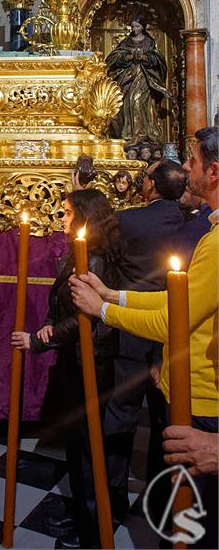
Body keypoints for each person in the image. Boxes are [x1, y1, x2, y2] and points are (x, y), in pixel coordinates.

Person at [70, 126, 218, 549]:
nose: (186, 167)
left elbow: (175, 318)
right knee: (183, 520)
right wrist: (112, 295)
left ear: (213, 171)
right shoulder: (208, 230)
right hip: (187, 390)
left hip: (204, 401)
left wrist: (101, 310)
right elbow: (175, 302)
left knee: (196, 530)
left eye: (191, 160)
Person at [12, 189, 120, 548]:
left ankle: (91, 527)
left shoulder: (97, 260)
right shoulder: (77, 254)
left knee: (88, 447)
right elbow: (61, 301)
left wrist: (39, 340)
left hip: (91, 360)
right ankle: (79, 510)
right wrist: (46, 322)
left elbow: (84, 319)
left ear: (85, 216)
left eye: (67, 212)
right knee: (75, 445)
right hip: (73, 360)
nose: (61, 218)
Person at [102, 158, 187, 521]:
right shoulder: (193, 222)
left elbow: (105, 246)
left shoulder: (130, 220)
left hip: (135, 324)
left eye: (144, 177)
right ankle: (161, 498)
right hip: (176, 330)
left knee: (121, 414)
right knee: (166, 419)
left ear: (151, 185)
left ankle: (112, 502)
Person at [106, 16, 170, 145]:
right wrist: (128, 57)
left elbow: (157, 59)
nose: (134, 29)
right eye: (133, 26)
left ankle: (144, 133)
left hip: (145, 77)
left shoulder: (148, 42)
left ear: (143, 27)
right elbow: (114, 57)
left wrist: (145, 57)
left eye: (137, 26)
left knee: (140, 101)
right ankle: (129, 134)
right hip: (128, 77)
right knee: (129, 102)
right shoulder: (126, 42)